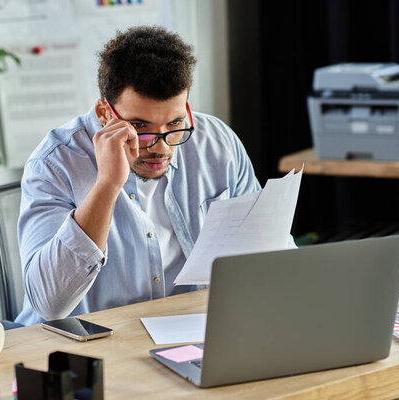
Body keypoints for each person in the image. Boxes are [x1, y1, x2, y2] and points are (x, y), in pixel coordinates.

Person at [15, 26, 261, 326]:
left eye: (175, 123)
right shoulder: (54, 164)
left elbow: (264, 248)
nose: (161, 147)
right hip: (85, 348)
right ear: (104, 112)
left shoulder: (218, 143)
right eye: (140, 127)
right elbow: (49, 304)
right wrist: (107, 185)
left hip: (192, 331)